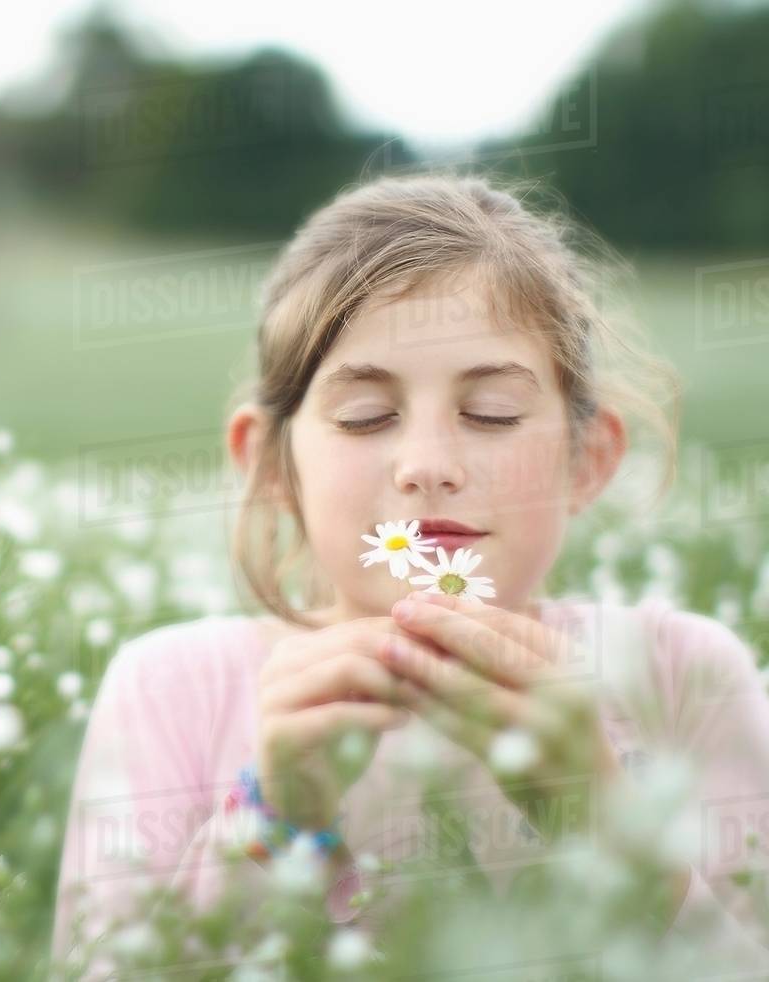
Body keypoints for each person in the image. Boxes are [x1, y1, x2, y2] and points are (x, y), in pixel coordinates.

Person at [49, 172, 769, 979]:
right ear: (270, 463)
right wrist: (278, 822)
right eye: (367, 416)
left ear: (588, 458)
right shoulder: (172, 688)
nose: (428, 467)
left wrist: (608, 826)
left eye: (491, 411)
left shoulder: (685, 675)